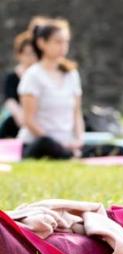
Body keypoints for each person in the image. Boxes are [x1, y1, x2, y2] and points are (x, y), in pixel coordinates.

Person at [17, 19, 85, 159]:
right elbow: (29, 120)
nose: (63, 47)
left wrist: (79, 139)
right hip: (41, 143)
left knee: (117, 150)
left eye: (65, 42)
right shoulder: (33, 76)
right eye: (58, 42)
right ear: (42, 43)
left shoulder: (71, 74)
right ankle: (69, 154)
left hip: (67, 142)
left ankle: (73, 153)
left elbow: (76, 113)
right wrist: (57, 143)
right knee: (47, 145)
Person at [1, 32, 37, 138]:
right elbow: (10, 100)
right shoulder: (12, 77)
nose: (31, 58)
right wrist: (21, 115)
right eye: (28, 54)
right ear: (19, 55)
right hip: (18, 118)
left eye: (34, 53)